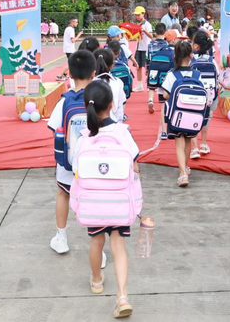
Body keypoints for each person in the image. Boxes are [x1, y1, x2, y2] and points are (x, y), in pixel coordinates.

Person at [74, 80, 139, 318]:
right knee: (118, 246)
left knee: (96, 242)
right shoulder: (123, 132)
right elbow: (134, 160)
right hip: (120, 200)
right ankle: (122, 296)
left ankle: (97, 280)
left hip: (93, 202)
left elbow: (75, 168)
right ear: (112, 105)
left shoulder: (84, 138)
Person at [46, 50, 101, 263]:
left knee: (63, 194)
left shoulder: (64, 101)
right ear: (94, 73)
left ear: (70, 73)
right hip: (96, 165)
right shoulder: (101, 100)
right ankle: (98, 249)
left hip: (68, 165)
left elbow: (54, 128)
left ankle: (61, 238)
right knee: (95, 201)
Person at [161, 40, 204, 187]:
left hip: (177, 116)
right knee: (187, 142)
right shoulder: (197, 74)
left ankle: (183, 174)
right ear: (191, 56)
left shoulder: (172, 75)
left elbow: (165, 96)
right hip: (193, 116)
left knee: (179, 143)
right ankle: (185, 167)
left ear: (175, 56)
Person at [190, 31, 220, 158]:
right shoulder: (212, 61)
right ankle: (204, 143)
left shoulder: (192, 61)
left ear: (196, 46)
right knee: (206, 119)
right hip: (209, 96)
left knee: (192, 119)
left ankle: (194, 148)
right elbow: (217, 77)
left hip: (195, 96)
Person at [95, 48, 127, 122]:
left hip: (93, 126)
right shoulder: (118, 82)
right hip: (113, 124)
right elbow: (121, 107)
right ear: (112, 65)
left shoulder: (90, 83)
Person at [57, 16, 82, 81]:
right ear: (73, 22)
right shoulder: (71, 29)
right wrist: (79, 35)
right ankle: (59, 75)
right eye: (76, 22)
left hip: (67, 48)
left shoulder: (67, 28)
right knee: (71, 63)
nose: (77, 23)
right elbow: (73, 40)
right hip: (69, 49)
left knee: (71, 62)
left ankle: (64, 74)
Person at [133, 6, 153, 92]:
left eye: (138, 14)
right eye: (136, 15)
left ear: (143, 14)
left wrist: (144, 31)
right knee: (138, 67)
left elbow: (152, 36)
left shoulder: (147, 25)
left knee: (147, 67)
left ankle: (150, 84)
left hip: (146, 48)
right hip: (139, 48)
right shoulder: (138, 25)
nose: (137, 16)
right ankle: (139, 85)